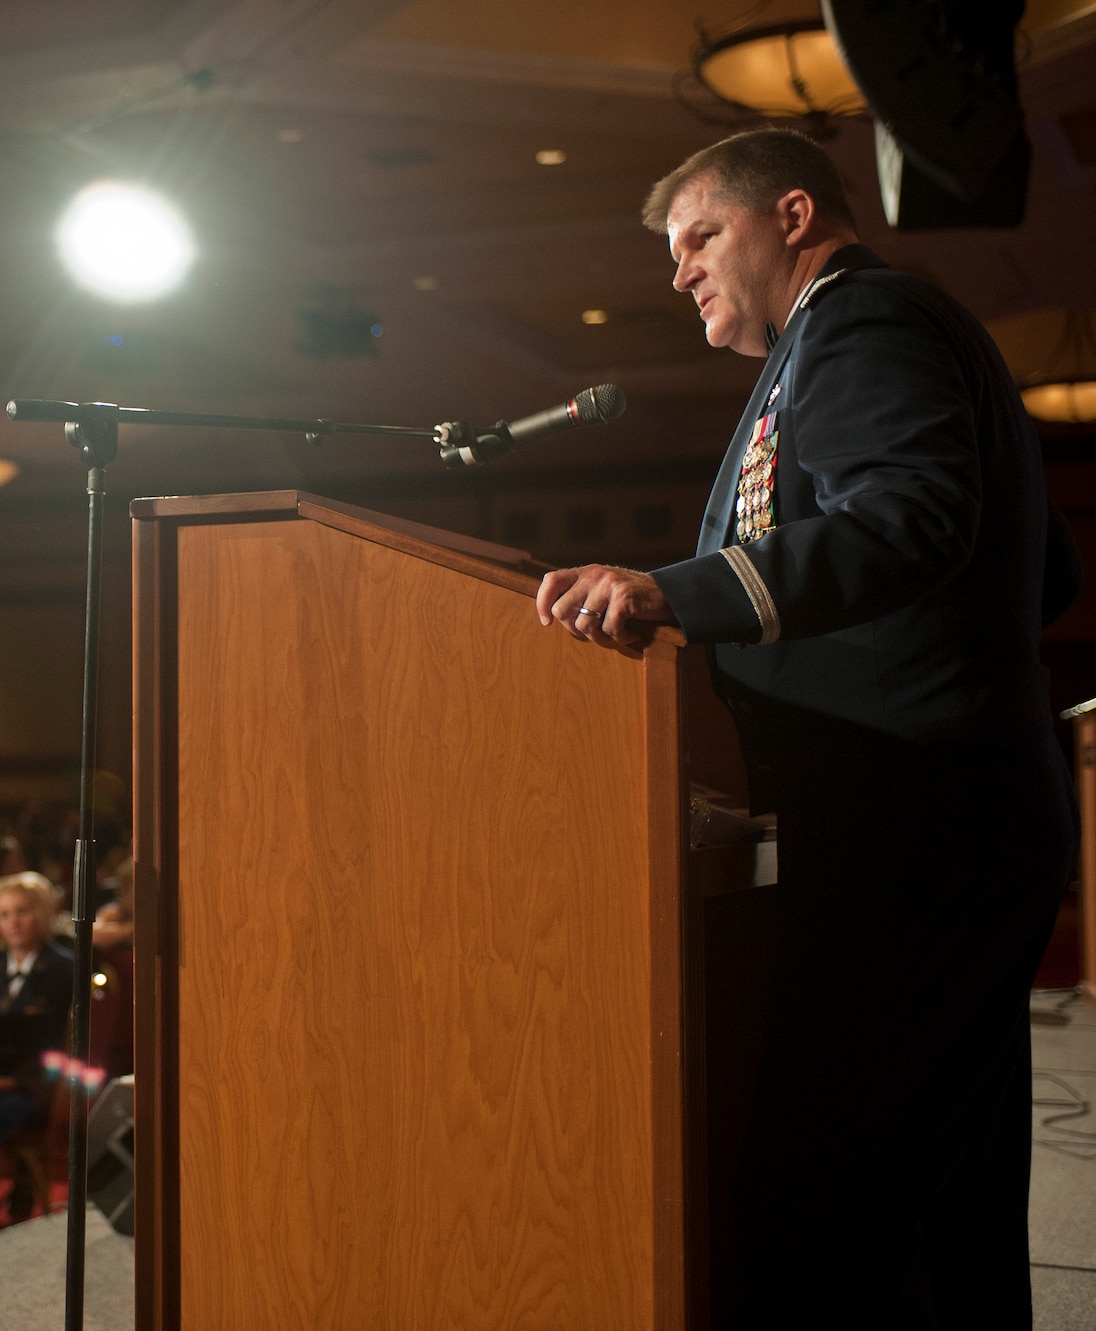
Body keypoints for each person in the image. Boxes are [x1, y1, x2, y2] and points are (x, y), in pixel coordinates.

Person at [534, 128, 1078, 1327]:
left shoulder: (860, 321)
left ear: (789, 215)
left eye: (698, 236)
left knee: (822, 1197)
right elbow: (1043, 571)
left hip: (915, 823)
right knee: (944, 1199)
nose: (678, 270)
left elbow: (910, 517)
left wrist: (673, 591)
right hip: (948, 807)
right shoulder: (845, 338)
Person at [0, 872, 73, 1222]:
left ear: (41, 913)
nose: (13, 922)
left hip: (32, 1085)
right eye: (4, 914)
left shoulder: (63, 969)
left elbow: (59, 1048)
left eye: (22, 911)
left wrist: (11, 1083)